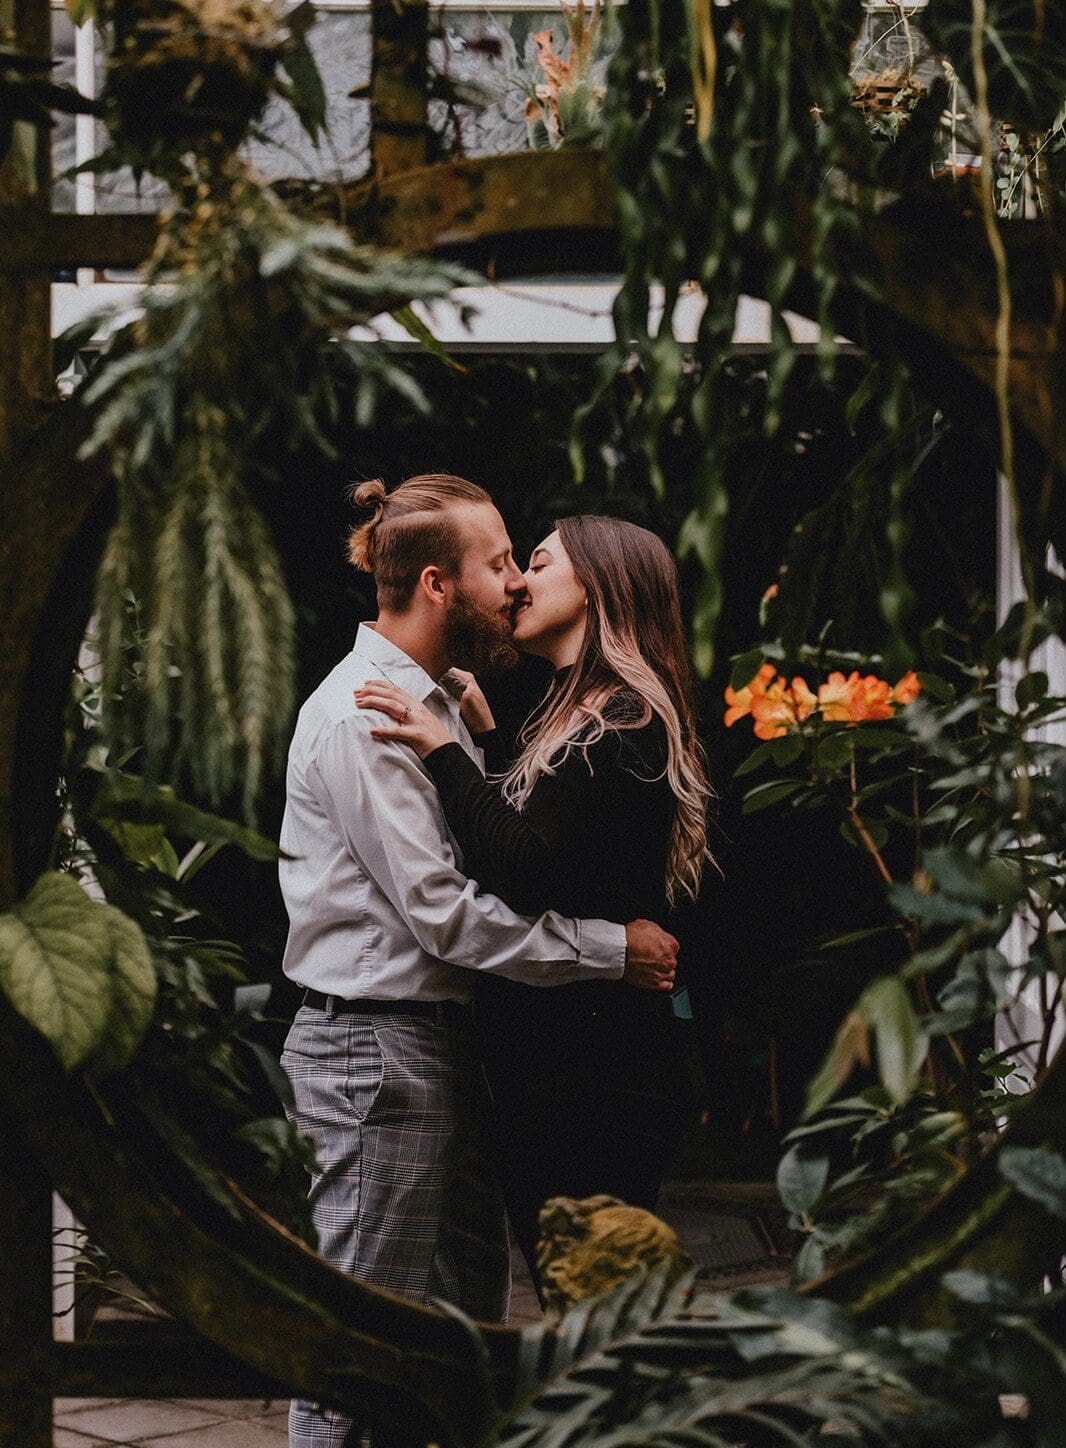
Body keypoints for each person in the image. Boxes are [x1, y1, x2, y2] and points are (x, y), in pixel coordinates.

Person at [279, 476, 679, 1448]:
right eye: (501, 560)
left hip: (436, 1048)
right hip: (377, 1050)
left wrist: (471, 741)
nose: (512, 580)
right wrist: (605, 950)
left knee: (457, 1331)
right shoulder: (366, 718)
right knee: (360, 1340)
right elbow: (450, 917)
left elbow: (500, 842)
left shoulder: (440, 702)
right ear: (435, 584)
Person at [355, 514, 712, 1276]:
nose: (517, 581)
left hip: (595, 1078)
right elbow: (547, 847)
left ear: (594, 588)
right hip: (565, 1065)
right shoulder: (580, 712)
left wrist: (446, 751)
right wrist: (480, 749)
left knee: (598, 1305)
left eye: (538, 563)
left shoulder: (624, 721)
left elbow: (524, 868)